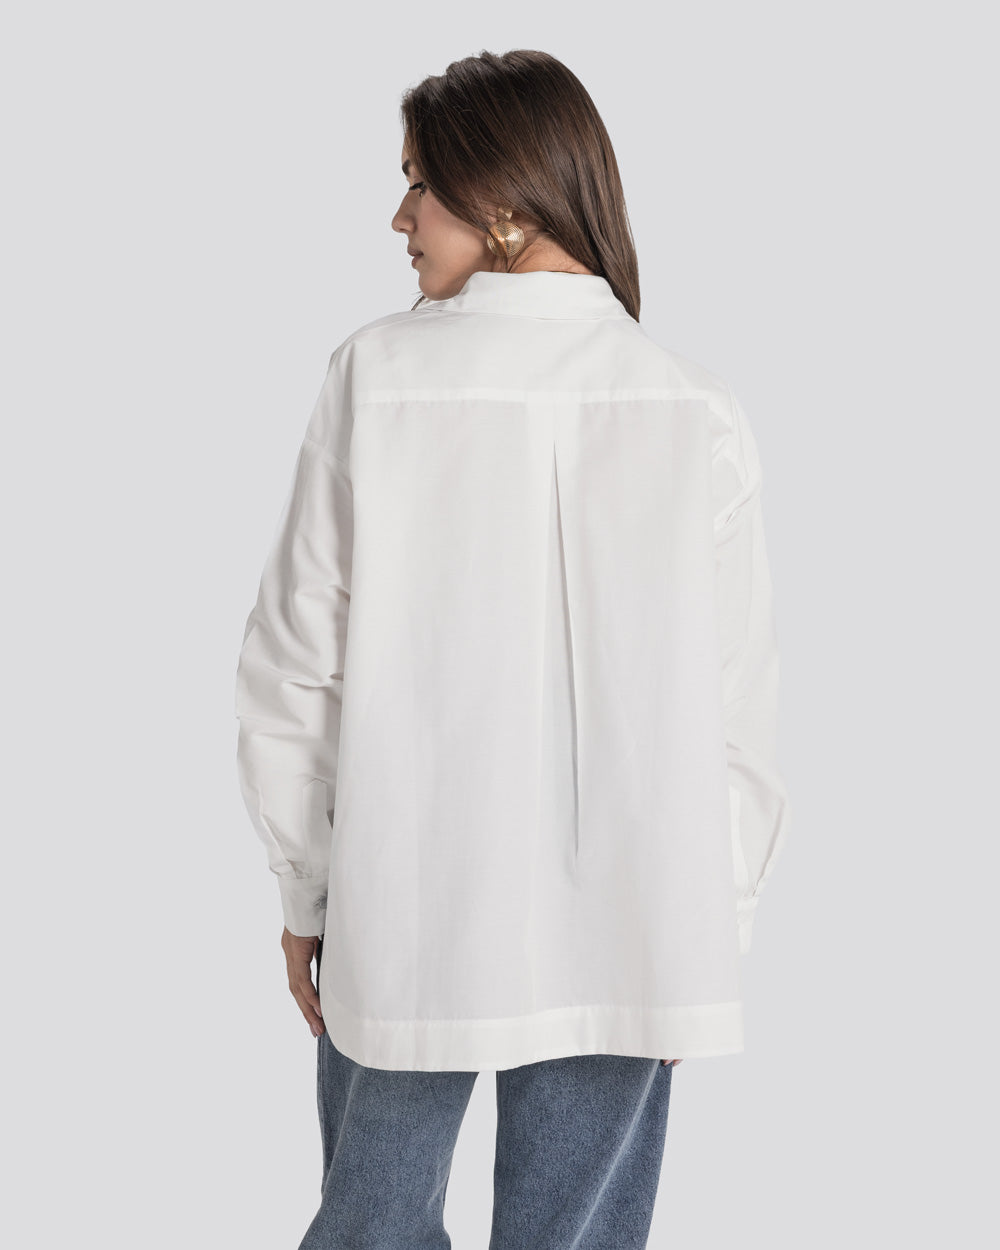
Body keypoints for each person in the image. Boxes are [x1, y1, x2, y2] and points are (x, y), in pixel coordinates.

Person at [234, 48, 790, 1250]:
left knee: (370, 1227)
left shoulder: (377, 377)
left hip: (404, 906)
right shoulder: (693, 406)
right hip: (636, 921)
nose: (398, 217)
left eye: (417, 182)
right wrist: (705, 933)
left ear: (501, 199)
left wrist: (305, 887)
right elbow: (738, 715)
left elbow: (293, 668)